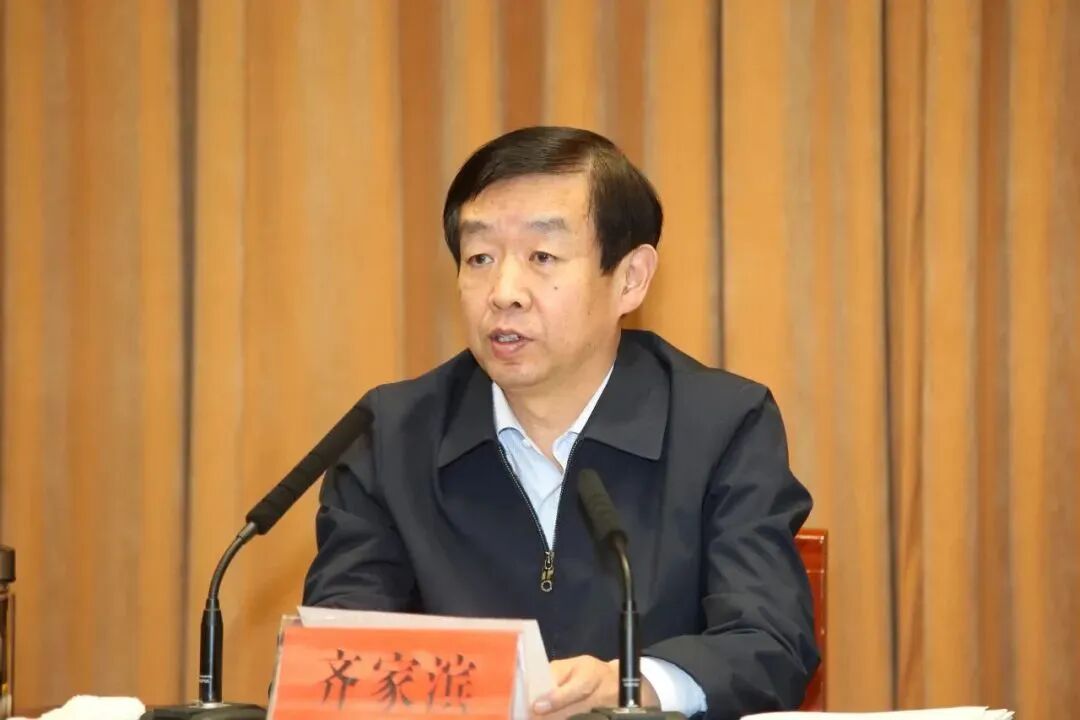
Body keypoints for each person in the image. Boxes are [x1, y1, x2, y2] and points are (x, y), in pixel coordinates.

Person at [303, 126, 819, 720]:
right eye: (480, 258)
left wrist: (631, 686)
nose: (504, 293)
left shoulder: (722, 425)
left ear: (630, 278)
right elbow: (337, 656)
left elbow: (768, 641)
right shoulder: (389, 435)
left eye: (542, 257)